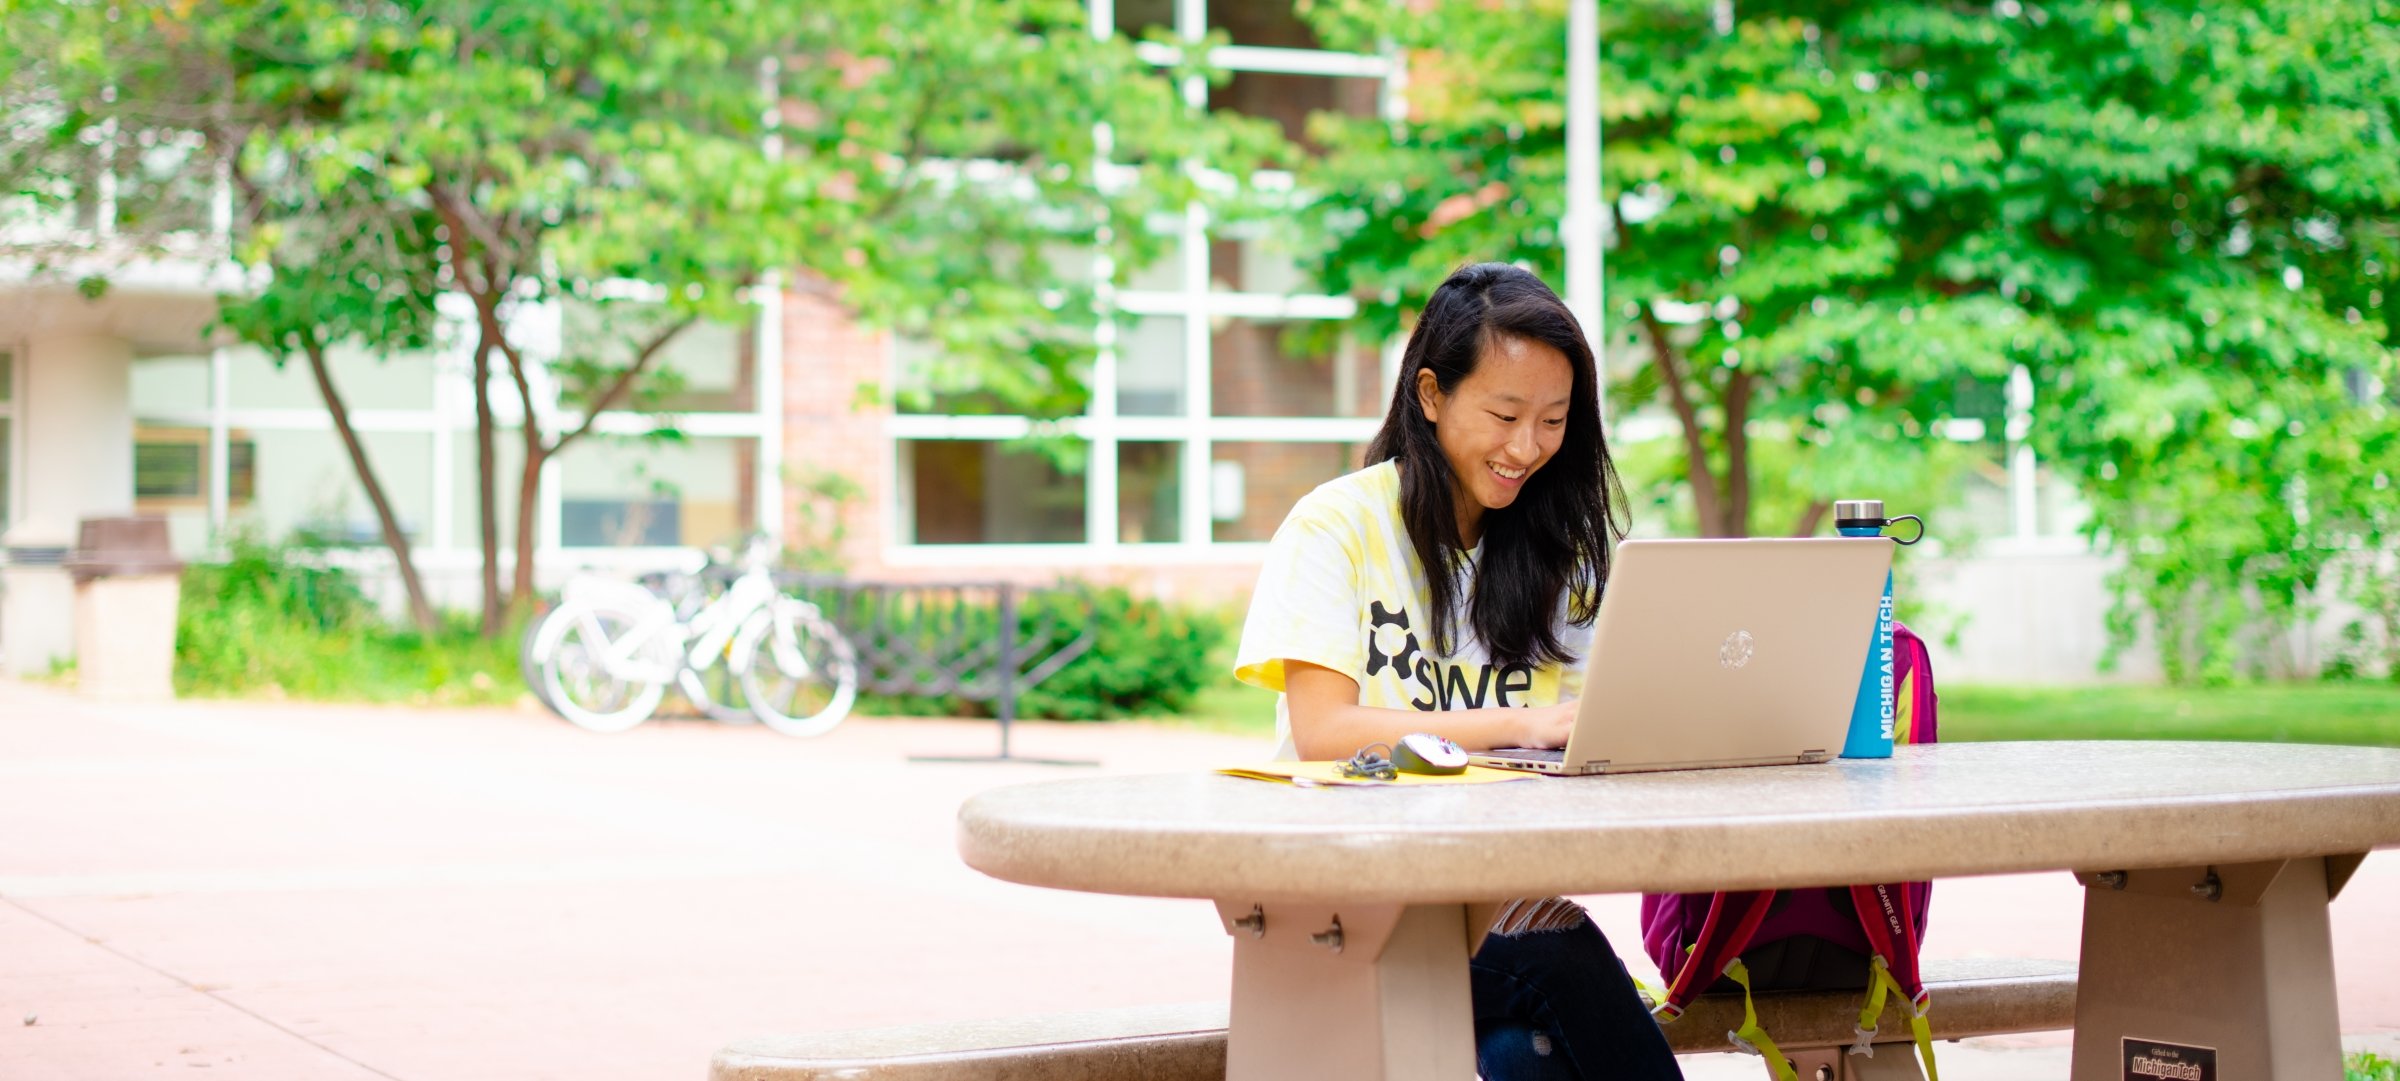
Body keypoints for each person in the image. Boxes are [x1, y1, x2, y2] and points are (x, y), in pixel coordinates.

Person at [1233, 262, 1681, 1081]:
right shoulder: (1337, 526)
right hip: (1350, 900)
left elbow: (1588, 723)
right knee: (1557, 948)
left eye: (1553, 420)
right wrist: (1522, 722)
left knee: (1527, 1058)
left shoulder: (1553, 554)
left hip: (1487, 897)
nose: (1527, 447)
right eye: (1505, 414)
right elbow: (1323, 732)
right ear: (1431, 395)